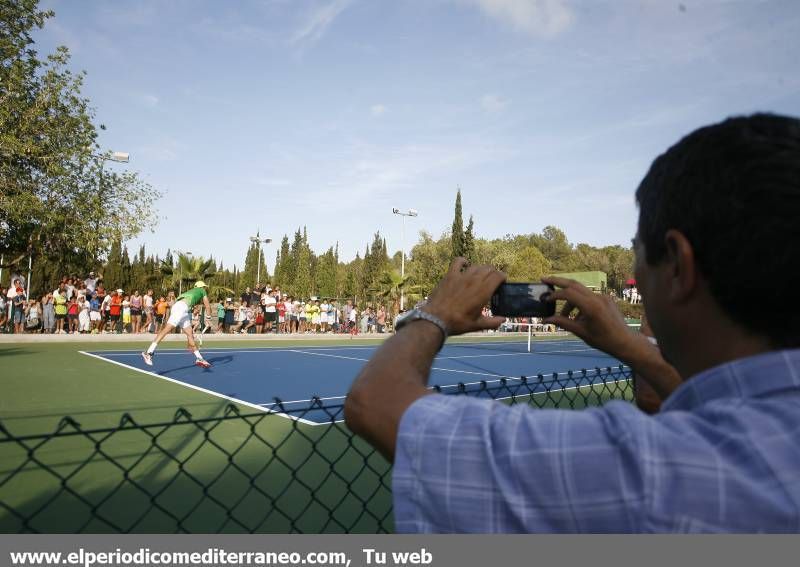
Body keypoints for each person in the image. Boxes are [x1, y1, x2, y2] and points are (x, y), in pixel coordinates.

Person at [345, 114, 800, 533]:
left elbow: (376, 402)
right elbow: (721, 403)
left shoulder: (651, 474)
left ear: (678, 266)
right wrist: (626, 343)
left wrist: (434, 314)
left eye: (638, 252)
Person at [142, 281, 212, 368]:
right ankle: (149, 352)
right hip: (181, 308)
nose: (205, 288)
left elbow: (177, 303)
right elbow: (208, 306)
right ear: (201, 287)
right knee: (166, 329)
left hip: (182, 309)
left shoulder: (189, 292)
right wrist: (208, 318)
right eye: (204, 287)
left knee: (190, 334)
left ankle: (199, 358)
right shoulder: (201, 291)